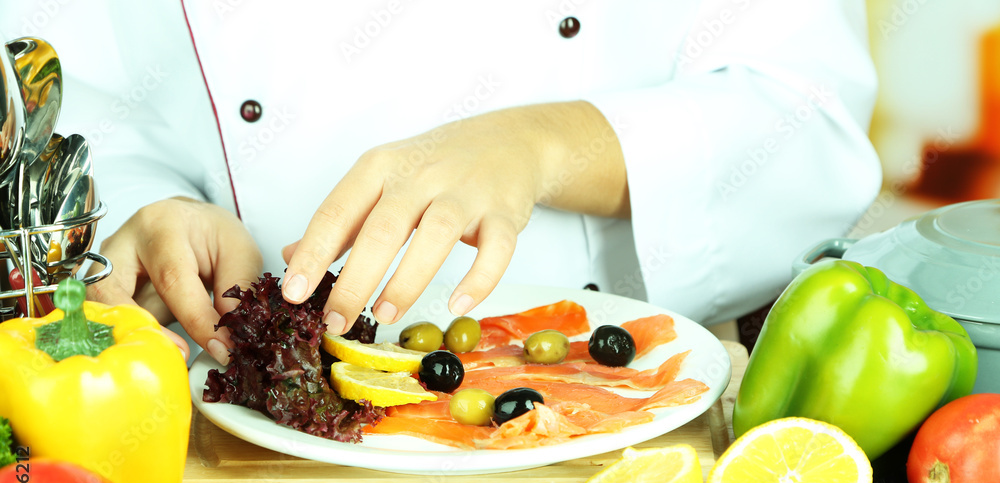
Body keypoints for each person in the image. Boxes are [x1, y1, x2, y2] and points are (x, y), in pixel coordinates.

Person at [2, 0, 881, 365]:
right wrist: (150, 209)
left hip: (616, 433)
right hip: (244, 444)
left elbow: (810, 122)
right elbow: (66, 98)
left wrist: (544, 142)